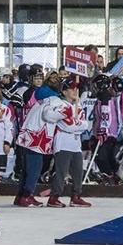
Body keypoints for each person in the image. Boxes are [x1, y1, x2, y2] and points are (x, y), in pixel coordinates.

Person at [16, 72, 65, 207]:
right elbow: (48, 115)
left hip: (28, 135)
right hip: (38, 137)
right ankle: (27, 196)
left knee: (26, 168)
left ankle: (20, 195)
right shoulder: (55, 100)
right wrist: (63, 115)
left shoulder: (41, 95)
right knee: (35, 168)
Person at [46, 78, 91, 208]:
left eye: (76, 88)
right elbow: (68, 126)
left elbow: (85, 124)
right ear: (64, 91)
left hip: (75, 144)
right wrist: (79, 124)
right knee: (61, 172)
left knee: (78, 171)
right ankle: (54, 197)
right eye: (71, 88)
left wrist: (79, 124)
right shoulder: (61, 105)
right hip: (63, 142)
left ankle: (76, 196)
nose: (75, 91)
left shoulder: (78, 105)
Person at [92, 74, 121, 184]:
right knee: (108, 156)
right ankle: (113, 174)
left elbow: (106, 114)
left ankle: (109, 175)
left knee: (101, 157)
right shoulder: (103, 96)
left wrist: (103, 130)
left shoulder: (104, 96)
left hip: (107, 133)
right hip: (108, 132)